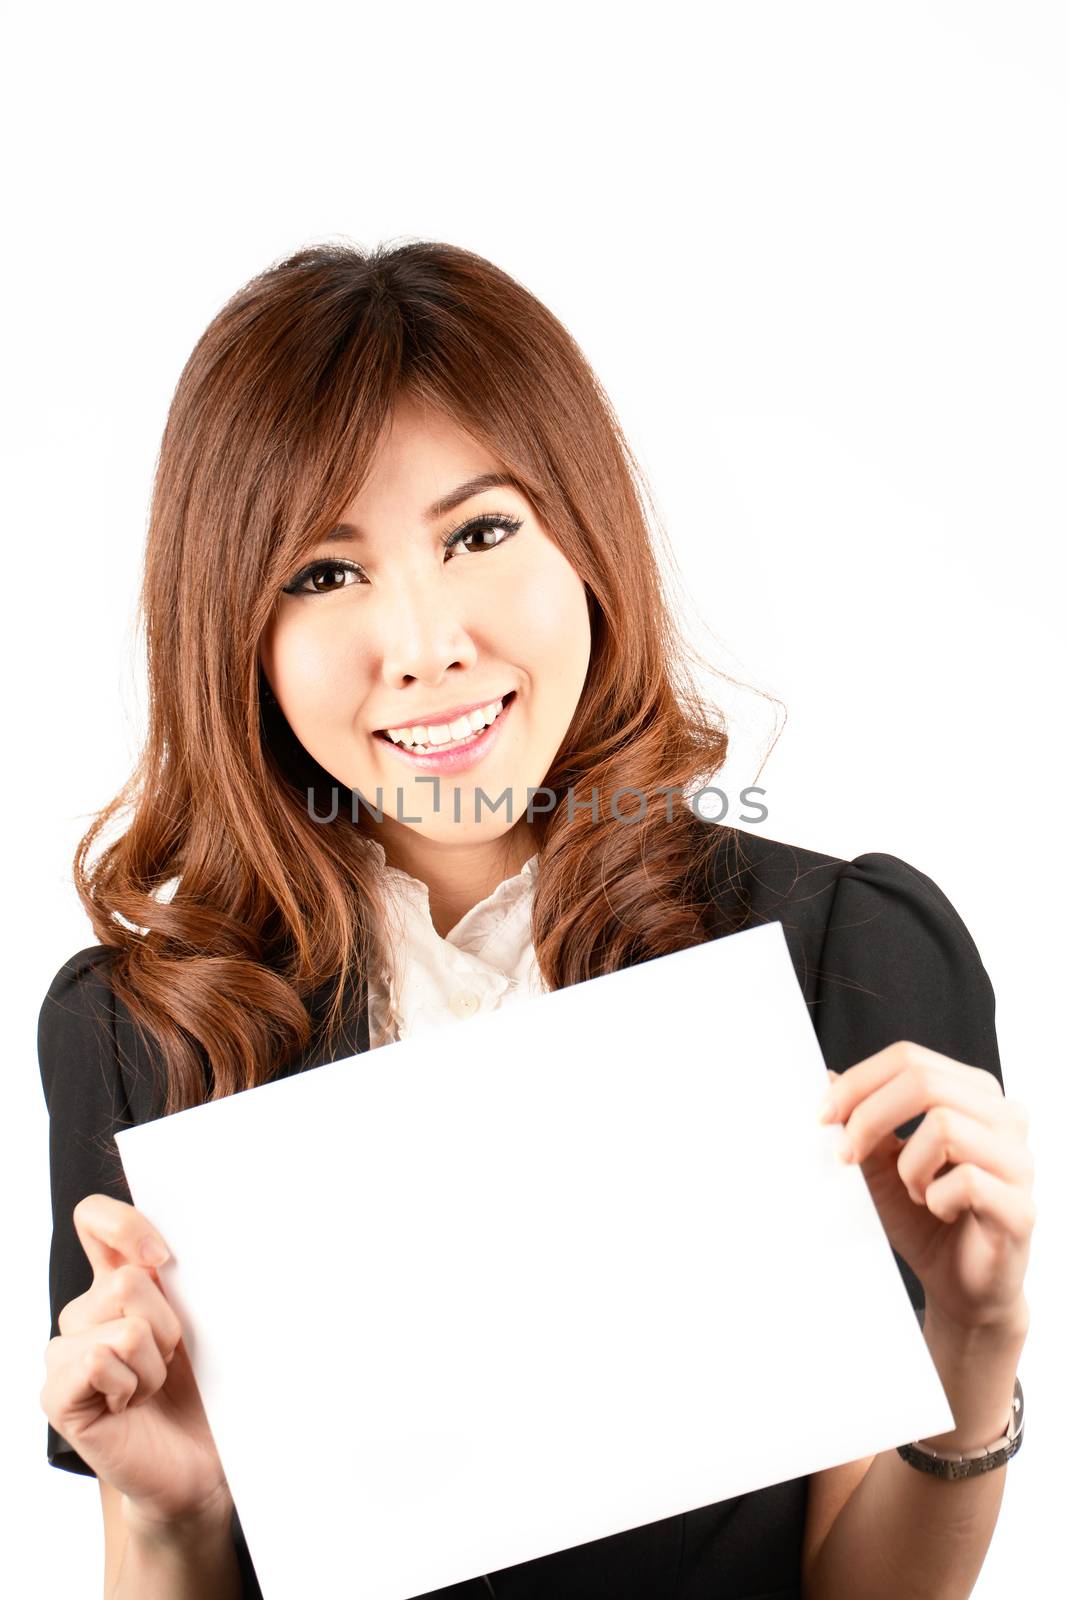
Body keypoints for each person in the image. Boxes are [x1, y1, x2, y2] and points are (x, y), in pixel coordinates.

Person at [38, 241, 1034, 1600]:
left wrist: (970, 1362)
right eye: (324, 575)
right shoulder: (145, 1031)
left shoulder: (844, 954)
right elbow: (169, 1538)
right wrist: (170, 1519)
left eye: (481, 534)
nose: (426, 640)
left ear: (586, 543)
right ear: (233, 633)